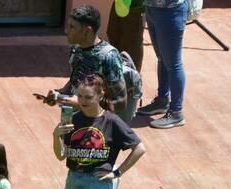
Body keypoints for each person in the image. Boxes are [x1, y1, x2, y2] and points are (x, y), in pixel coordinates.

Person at [52, 73, 146, 189]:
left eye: (88, 97)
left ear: (100, 95)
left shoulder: (111, 121)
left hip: (98, 185)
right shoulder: (73, 119)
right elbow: (61, 155)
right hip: (73, 181)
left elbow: (139, 148)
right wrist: (56, 136)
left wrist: (117, 173)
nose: (82, 101)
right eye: (80, 96)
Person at [37, 4, 128, 119]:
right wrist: (59, 94)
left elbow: (120, 102)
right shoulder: (76, 49)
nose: (67, 31)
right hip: (72, 120)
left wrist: (82, 104)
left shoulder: (109, 57)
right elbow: (75, 81)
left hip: (97, 127)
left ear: (87, 31)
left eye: (72, 27)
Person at [137, 0, 187, 129]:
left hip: (171, 11)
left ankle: (176, 112)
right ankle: (162, 101)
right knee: (162, 58)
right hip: (152, 8)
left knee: (173, 64)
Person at [106, 0, 145, 71]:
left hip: (135, 7)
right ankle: (119, 68)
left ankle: (134, 76)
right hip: (119, 4)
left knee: (133, 43)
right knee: (112, 33)